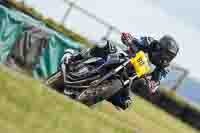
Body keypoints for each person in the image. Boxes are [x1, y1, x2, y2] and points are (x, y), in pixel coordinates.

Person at [61, 32, 179, 110]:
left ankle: (92, 96)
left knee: (125, 103)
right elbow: (134, 40)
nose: (165, 56)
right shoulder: (150, 42)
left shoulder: (164, 69)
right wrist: (129, 39)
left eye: (169, 55)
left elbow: (155, 84)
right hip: (123, 57)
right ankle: (73, 58)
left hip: (129, 78)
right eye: (163, 50)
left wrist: (150, 83)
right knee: (104, 45)